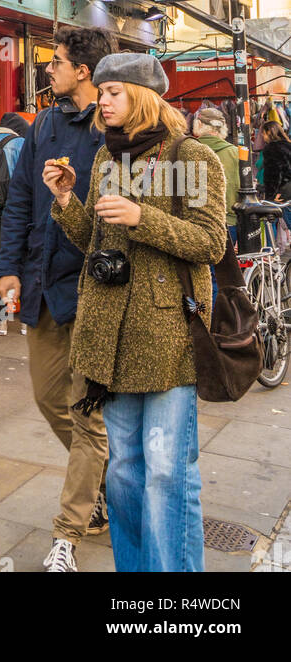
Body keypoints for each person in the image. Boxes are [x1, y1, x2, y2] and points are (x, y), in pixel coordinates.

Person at [47, 51, 226, 573]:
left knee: (168, 471)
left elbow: (212, 242)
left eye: (113, 92)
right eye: (100, 92)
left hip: (168, 335)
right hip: (110, 337)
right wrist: (66, 204)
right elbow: (97, 244)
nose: (101, 101)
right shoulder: (106, 158)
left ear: (143, 98)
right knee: (124, 469)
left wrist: (142, 216)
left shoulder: (191, 158)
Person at [0, 25, 115, 571]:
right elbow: (19, 200)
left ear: (84, 71)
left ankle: (70, 529)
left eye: (57, 61)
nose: (48, 68)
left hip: (96, 290)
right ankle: (101, 482)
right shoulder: (44, 123)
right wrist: (8, 272)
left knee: (86, 414)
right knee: (50, 399)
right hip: (43, 287)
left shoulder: (111, 125)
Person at [0, 113, 28, 333]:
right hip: (17, 213)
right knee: (26, 263)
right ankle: (26, 322)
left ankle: (2, 320)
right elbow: (29, 179)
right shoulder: (20, 143)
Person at [193, 107, 240, 241]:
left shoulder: (187, 149)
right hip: (229, 220)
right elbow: (242, 189)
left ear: (199, 124)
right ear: (222, 128)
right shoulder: (235, 152)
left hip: (196, 221)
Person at [261, 120, 291, 201]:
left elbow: (273, 175)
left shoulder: (272, 149)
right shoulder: (288, 145)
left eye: (263, 134)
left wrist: (270, 196)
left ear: (269, 132)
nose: (263, 137)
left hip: (283, 193)